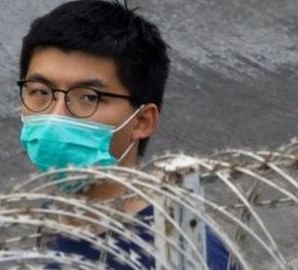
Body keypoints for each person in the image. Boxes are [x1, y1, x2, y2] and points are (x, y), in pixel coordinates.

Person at [17, 1, 235, 269]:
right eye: (40, 92)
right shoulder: (57, 211)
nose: (56, 115)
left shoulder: (182, 254)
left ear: (142, 121)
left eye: (89, 97)